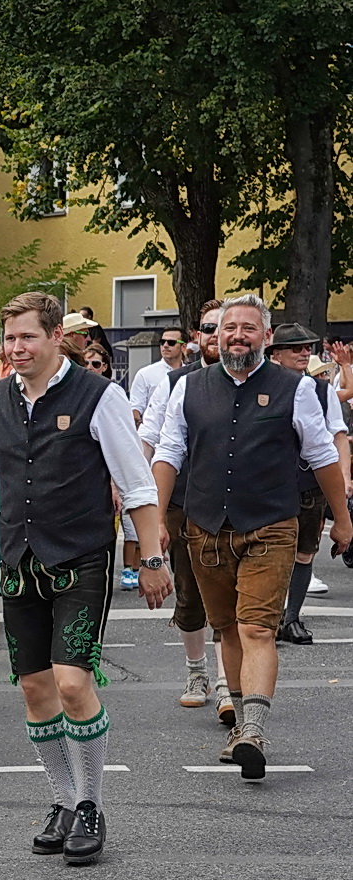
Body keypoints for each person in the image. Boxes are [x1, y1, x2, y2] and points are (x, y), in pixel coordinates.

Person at [0, 292, 170, 866]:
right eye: (9, 339)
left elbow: (136, 483)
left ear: (54, 338)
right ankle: (63, 802)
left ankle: (91, 803)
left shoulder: (99, 395)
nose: (16, 349)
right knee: (35, 689)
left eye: (27, 338)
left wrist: (153, 558)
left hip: (82, 558)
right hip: (19, 561)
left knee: (71, 683)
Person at [152, 295, 351, 778]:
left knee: (258, 627)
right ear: (216, 337)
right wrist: (155, 519)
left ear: (265, 336)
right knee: (227, 629)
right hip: (205, 527)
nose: (237, 335)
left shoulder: (296, 388)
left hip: (271, 524)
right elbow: (169, 452)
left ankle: (255, 729)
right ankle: (241, 725)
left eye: (247, 328)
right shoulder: (188, 388)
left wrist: (342, 520)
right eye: (228, 328)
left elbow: (323, 454)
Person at [140, 302, 227, 716]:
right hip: (183, 501)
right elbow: (152, 440)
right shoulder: (176, 383)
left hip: (237, 505)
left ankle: (230, 681)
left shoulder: (259, 382)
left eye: (223, 327)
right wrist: (144, 502)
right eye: (208, 328)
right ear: (197, 335)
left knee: (231, 595)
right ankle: (197, 671)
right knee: (190, 594)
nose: (216, 335)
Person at [264, 324, 351, 646]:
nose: (305, 354)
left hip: (308, 483)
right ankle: (267, 619)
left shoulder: (321, 390)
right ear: (276, 355)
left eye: (308, 349)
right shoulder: (264, 386)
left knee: (304, 553)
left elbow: (337, 436)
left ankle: (292, 618)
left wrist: (343, 476)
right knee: (269, 552)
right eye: (297, 349)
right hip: (270, 483)